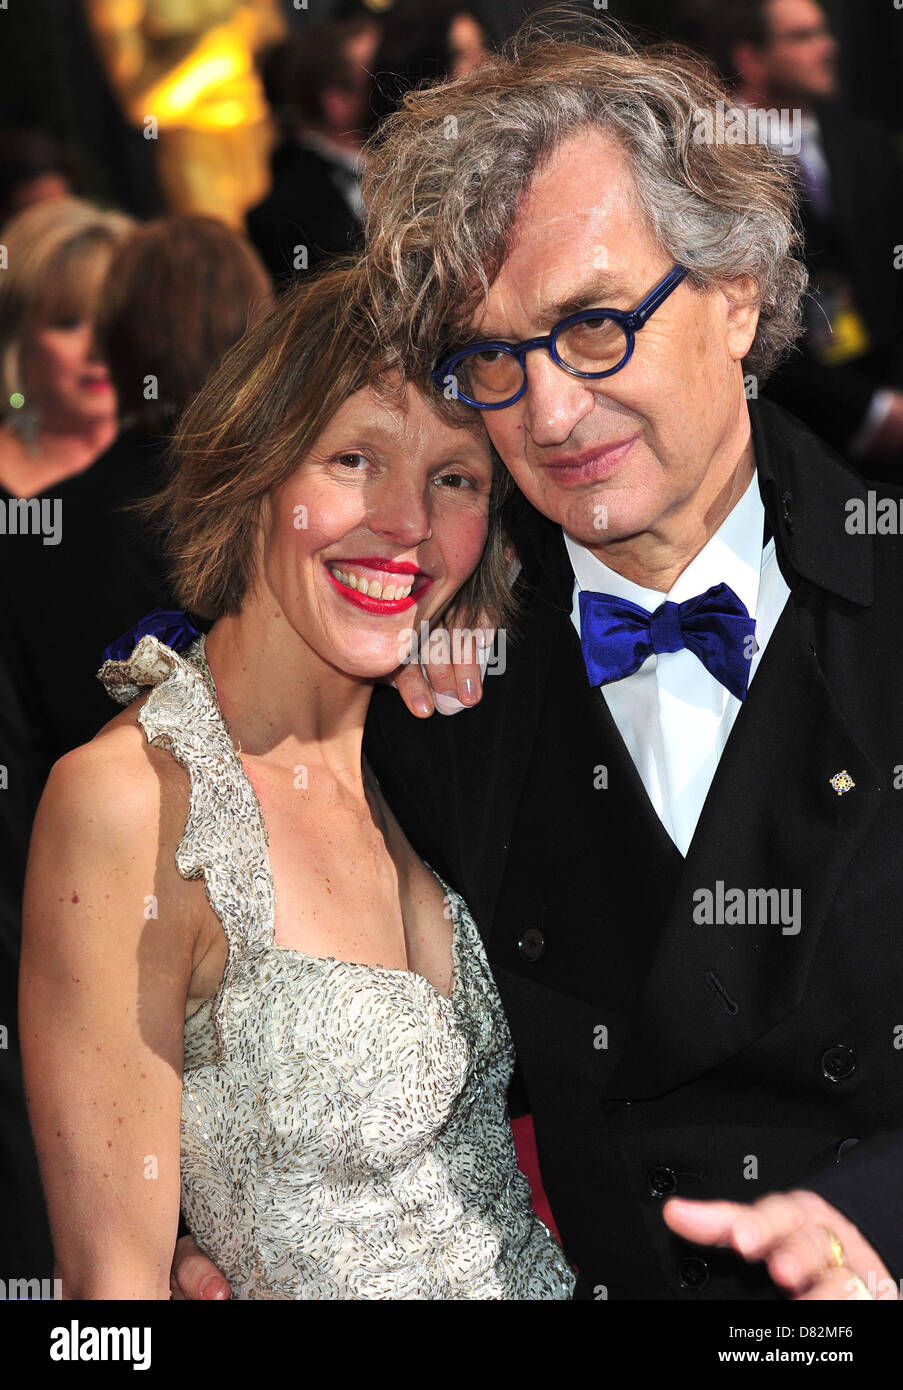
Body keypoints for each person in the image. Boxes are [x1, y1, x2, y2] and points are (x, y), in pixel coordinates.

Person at [161, 13, 903, 1302]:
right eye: (491, 360)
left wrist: (875, 1224)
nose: (549, 412)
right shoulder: (432, 689)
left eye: (597, 324)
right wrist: (199, 1228)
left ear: (734, 292)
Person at [18, 262, 575, 1301]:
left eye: (455, 477)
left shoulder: (435, 754)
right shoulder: (132, 801)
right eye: (355, 458)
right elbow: (106, 1298)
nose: (405, 520)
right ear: (259, 472)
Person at [690, 0, 903, 482]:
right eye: (803, 37)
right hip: (781, 445)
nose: (828, 48)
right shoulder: (706, 156)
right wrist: (869, 413)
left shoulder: (864, 141)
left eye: (824, 32)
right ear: (751, 58)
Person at [0, 196, 132, 499]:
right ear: (17, 339)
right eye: (68, 323)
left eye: (110, 321)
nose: (98, 350)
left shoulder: (180, 467)